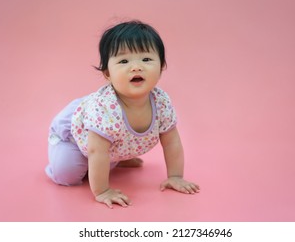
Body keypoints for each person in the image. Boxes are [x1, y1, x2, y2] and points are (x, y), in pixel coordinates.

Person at [45, 20, 200, 208]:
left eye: (146, 59)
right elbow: (97, 151)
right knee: (67, 174)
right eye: (124, 61)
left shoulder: (161, 102)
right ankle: (59, 154)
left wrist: (175, 176)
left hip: (105, 146)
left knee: (104, 155)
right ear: (107, 74)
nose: (136, 67)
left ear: (161, 68)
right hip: (74, 136)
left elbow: (172, 142)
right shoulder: (105, 109)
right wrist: (102, 191)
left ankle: (114, 160)